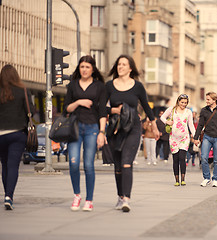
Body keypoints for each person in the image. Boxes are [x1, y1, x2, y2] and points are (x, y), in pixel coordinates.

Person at [106, 54, 159, 212]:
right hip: (115, 129)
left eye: (124, 64)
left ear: (130, 68)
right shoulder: (109, 86)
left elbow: (147, 108)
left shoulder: (137, 86)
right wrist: (114, 110)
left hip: (133, 128)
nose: (120, 67)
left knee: (127, 162)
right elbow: (100, 107)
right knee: (118, 166)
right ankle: (120, 196)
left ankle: (126, 200)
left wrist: (155, 127)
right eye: (118, 64)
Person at [63, 55, 107, 212]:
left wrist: (102, 132)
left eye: (87, 67)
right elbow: (66, 108)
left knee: (88, 164)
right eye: (82, 67)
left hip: (92, 129)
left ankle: (89, 200)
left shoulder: (100, 87)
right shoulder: (73, 86)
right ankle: (77, 195)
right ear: (79, 68)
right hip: (75, 128)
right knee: (73, 163)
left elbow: (103, 112)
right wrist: (78, 102)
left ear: (93, 69)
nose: (84, 69)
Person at [0, 64, 35, 210]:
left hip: (1, 135)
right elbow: (31, 111)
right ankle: (9, 196)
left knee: (5, 165)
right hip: (18, 134)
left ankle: (6, 194)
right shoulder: (23, 91)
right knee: (14, 165)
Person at [194, 92, 217, 187]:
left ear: (214, 100)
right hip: (207, 136)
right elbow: (200, 125)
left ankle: (215, 179)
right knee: (203, 157)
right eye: (206, 99)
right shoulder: (204, 110)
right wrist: (196, 138)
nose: (206, 101)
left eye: (208, 99)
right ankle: (206, 178)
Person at [161, 94, 196, 186]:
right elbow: (162, 117)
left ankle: (183, 179)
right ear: (178, 101)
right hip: (173, 139)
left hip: (184, 138)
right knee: (175, 159)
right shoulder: (172, 110)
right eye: (182, 102)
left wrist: (195, 136)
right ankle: (176, 180)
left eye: (185, 103)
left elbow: (191, 125)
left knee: (182, 158)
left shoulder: (188, 112)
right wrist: (167, 122)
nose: (184, 104)